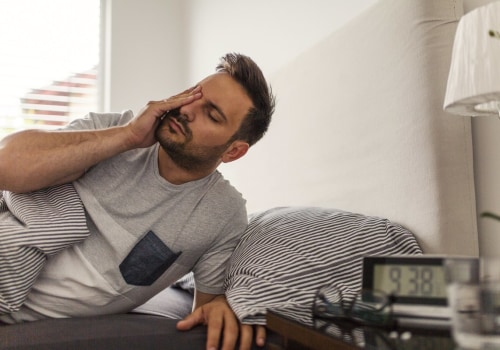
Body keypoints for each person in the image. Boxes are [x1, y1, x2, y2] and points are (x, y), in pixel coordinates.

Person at [0, 53, 275, 350]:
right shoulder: (112, 129)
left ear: (233, 151)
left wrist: (222, 303)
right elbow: (5, 166)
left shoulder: (222, 213)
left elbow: (205, 310)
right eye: (193, 94)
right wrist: (127, 136)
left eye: (212, 114)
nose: (187, 109)